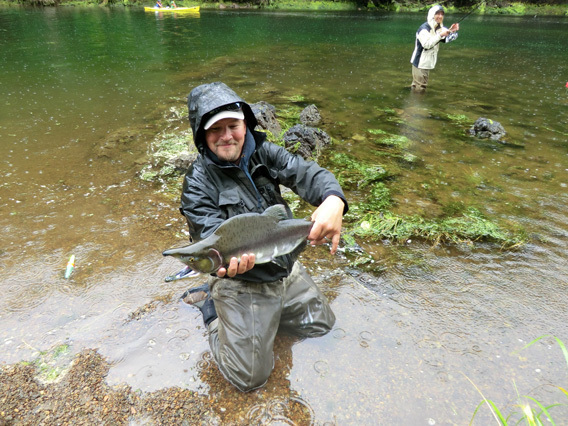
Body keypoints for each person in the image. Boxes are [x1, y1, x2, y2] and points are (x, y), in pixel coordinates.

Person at [178, 81, 348, 392]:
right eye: (216, 129)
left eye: (233, 125)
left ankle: (266, 318)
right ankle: (214, 311)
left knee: (323, 326)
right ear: (202, 134)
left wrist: (334, 200)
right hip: (242, 282)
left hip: (283, 266)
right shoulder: (197, 183)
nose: (227, 136)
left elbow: (308, 173)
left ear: (245, 125)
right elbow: (207, 238)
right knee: (249, 378)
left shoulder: (265, 152)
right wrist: (222, 268)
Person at [410, 5, 459, 92]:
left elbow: (447, 39)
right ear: (432, 15)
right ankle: (416, 104)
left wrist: (452, 31)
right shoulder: (424, 29)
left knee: (416, 86)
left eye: (442, 14)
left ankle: (412, 102)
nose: (440, 16)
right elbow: (427, 44)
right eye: (437, 14)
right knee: (421, 88)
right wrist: (440, 35)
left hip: (426, 63)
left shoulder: (439, 28)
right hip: (420, 63)